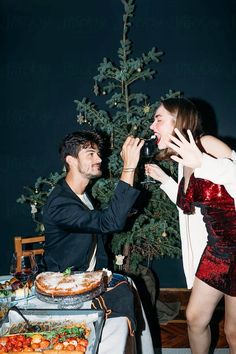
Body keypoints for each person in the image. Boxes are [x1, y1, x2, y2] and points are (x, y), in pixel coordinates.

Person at [146, 97, 236, 353]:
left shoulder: (207, 145)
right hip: (217, 252)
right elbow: (189, 207)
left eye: (158, 119)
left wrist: (202, 162)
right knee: (195, 319)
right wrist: (164, 180)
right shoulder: (183, 161)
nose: (153, 125)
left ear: (179, 121)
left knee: (233, 331)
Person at [43, 130, 144, 272]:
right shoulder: (59, 203)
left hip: (93, 276)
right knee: (126, 293)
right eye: (90, 154)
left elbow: (96, 223)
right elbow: (110, 223)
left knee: (127, 291)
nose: (99, 159)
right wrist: (129, 167)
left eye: (98, 154)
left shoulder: (84, 196)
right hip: (65, 282)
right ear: (71, 160)